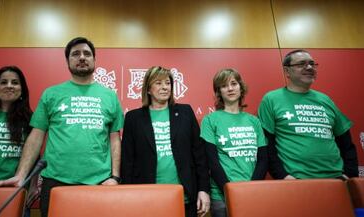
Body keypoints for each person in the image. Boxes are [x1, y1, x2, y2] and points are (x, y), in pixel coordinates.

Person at [0, 37, 124, 217]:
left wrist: (114, 177)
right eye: (75, 54)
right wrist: (21, 175)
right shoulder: (51, 94)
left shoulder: (109, 96)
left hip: (100, 182)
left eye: (87, 54)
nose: (82, 57)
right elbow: (36, 136)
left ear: (94, 60)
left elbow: (115, 139)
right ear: (67, 61)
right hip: (55, 181)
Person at [121, 66, 210, 217]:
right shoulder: (133, 118)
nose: (164, 87)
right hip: (146, 197)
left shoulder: (185, 112)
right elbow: (127, 161)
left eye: (168, 83)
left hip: (185, 196)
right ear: (148, 89)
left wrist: (204, 189)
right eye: (158, 83)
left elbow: (199, 154)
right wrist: (128, 195)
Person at [258, 49, 358, 180]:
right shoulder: (271, 99)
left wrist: (349, 174)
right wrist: (282, 176)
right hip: (297, 181)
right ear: (287, 71)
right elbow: (267, 143)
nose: (309, 67)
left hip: (337, 179)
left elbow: (345, 141)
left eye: (312, 63)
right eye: (301, 64)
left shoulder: (325, 100)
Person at [200, 68, 267, 217]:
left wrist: (252, 188)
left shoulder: (254, 121)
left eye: (234, 83)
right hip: (222, 197)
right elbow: (211, 161)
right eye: (224, 86)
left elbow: (263, 159)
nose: (230, 88)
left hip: (254, 193)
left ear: (241, 87)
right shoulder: (210, 120)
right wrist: (229, 189)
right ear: (219, 92)